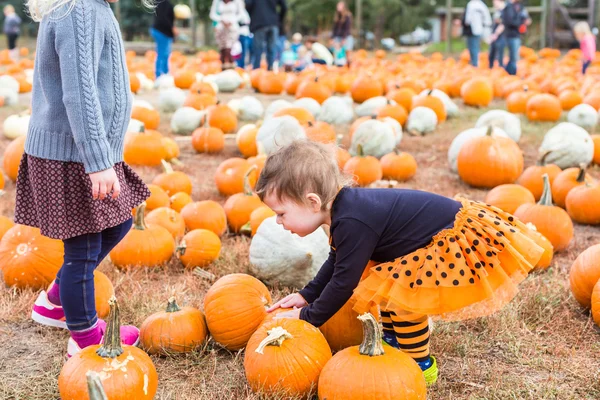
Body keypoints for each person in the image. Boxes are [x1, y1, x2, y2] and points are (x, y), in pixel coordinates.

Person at [257, 140, 545, 386]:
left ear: (312, 202)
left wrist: (307, 318)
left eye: (281, 213)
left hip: (445, 239)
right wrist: (307, 295)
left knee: (407, 300)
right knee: (389, 289)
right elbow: (337, 261)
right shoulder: (344, 212)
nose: (278, 222)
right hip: (416, 242)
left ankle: (419, 365)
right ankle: (396, 343)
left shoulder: (352, 220)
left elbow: (344, 282)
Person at [22, 0, 152, 357]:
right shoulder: (79, 9)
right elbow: (80, 93)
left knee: (119, 223)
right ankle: (84, 337)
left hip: (87, 151)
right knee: (83, 248)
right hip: (75, 154)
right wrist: (97, 161)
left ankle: (54, 302)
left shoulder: (93, 7)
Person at [491, 0, 531, 75]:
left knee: (513, 57)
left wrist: (524, 21)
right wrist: (520, 23)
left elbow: (524, 17)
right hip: (511, 35)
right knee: (513, 57)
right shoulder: (508, 7)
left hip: (515, 34)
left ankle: (508, 72)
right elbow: (509, 21)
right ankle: (510, 73)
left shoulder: (518, 6)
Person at [246, 0, 287, 70]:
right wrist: (279, 19)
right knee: (272, 48)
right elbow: (284, 7)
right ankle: (270, 69)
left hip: (258, 22)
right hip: (273, 23)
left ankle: (256, 70)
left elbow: (248, 5)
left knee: (258, 48)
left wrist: (253, 15)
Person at [210, 0, 245, 69]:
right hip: (221, 27)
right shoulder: (217, 2)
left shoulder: (237, 1)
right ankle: (224, 68)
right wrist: (221, 20)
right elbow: (212, 14)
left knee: (229, 48)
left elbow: (241, 14)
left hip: (233, 27)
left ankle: (231, 67)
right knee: (223, 49)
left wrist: (232, 21)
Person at [151, 0, 177, 78]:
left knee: (165, 54)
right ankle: (159, 75)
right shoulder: (164, 3)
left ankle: (165, 74)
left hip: (160, 30)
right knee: (162, 54)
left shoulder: (161, 2)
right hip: (162, 31)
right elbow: (163, 18)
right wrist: (172, 28)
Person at [463, 0, 492, 67]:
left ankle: (475, 64)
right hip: (480, 29)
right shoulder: (482, 5)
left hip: (472, 30)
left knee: (473, 48)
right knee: (476, 47)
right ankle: (476, 63)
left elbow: (467, 20)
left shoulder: (471, 4)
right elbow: (487, 19)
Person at [488, 0, 506, 68]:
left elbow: (503, 24)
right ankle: (491, 68)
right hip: (494, 36)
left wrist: (496, 34)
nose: (493, 3)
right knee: (492, 54)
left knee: (499, 55)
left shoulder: (504, 11)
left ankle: (500, 69)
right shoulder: (497, 11)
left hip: (500, 36)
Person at [236, 4, 252, 68]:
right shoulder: (238, 11)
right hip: (241, 33)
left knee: (246, 52)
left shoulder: (246, 10)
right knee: (241, 52)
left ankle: (244, 66)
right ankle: (240, 66)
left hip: (247, 33)